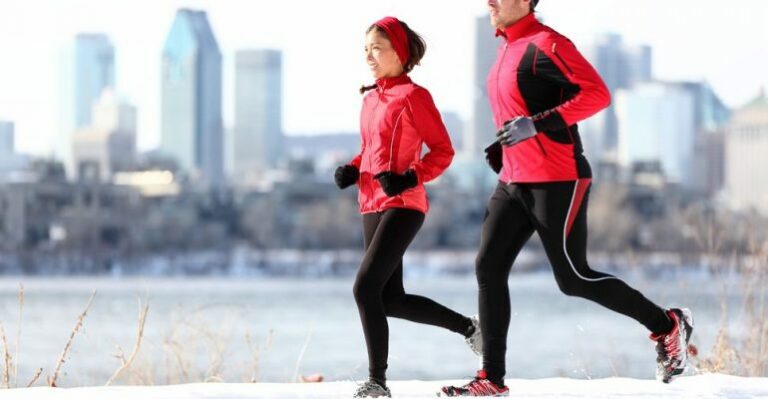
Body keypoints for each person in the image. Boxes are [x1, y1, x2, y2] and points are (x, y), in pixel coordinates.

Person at [439, 1, 693, 396]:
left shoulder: (548, 43)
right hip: (512, 180)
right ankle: (491, 379)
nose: (490, 1)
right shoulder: (505, 47)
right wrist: (505, 144)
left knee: (573, 278)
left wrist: (535, 127)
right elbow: (521, 108)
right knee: (488, 268)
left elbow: (597, 95)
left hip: (558, 178)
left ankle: (666, 324)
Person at [334, 16, 482, 399]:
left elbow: (443, 151)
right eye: (365, 48)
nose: (369, 55)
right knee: (390, 298)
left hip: (404, 203)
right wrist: (353, 168)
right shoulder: (370, 99)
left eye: (377, 47)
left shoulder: (415, 97)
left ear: (399, 52)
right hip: (370, 203)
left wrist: (410, 177)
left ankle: (377, 383)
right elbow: (371, 149)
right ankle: (469, 328)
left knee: (365, 288)